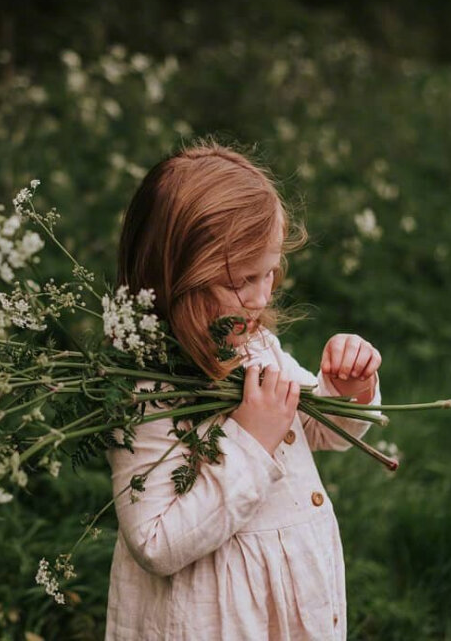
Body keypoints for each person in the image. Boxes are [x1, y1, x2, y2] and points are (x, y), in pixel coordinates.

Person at [106, 141, 382, 640]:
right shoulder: (146, 390)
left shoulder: (258, 348)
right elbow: (155, 541)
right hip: (212, 619)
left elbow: (324, 433)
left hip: (286, 605)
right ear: (175, 280)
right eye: (241, 280)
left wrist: (346, 391)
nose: (261, 296)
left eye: (269, 271)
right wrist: (250, 444)